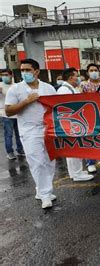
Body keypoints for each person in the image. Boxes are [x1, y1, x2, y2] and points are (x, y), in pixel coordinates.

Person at [5, 59, 58, 209]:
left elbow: (57, 107)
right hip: (29, 130)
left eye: (28, 70)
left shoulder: (48, 88)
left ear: (36, 71)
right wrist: (27, 101)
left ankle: (41, 189)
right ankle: (45, 194)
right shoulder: (15, 89)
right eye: (22, 70)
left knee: (49, 161)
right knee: (37, 162)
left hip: (48, 129)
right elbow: (8, 111)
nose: (24, 73)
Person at [56, 68, 95, 182]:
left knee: (73, 149)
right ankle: (77, 174)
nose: (78, 78)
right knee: (74, 149)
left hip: (73, 122)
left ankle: (75, 172)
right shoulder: (64, 90)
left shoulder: (70, 89)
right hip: (70, 122)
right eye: (76, 76)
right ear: (70, 77)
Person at [80, 63, 100, 172]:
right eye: (91, 70)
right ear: (87, 72)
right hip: (89, 115)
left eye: (95, 70)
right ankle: (90, 162)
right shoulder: (83, 85)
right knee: (90, 138)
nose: (93, 72)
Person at [0, 69, 24, 160]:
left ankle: (20, 149)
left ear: (11, 75)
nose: (4, 77)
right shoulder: (1, 86)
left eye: (6, 75)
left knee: (19, 133)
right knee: (8, 134)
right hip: (6, 114)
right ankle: (10, 152)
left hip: (17, 113)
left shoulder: (16, 86)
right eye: (2, 75)